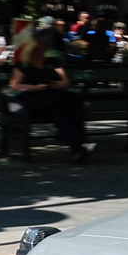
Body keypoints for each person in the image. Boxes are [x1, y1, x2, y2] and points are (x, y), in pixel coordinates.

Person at [7, 31, 91, 161]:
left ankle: (80, 147)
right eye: (35, 50)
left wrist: (57, 83)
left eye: (40, 49)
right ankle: (79, 147)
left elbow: (65, 81)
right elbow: (15, 85)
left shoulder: (52, 63)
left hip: (54, 95)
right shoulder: (23, 66)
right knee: (58, 111)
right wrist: (35, 87)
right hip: (36, 99)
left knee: (71, 108)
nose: (37, 52)